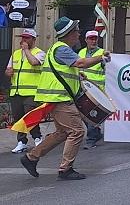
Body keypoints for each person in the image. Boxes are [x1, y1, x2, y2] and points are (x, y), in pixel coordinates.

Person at [20, 17, 110, 180]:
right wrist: (101, 57)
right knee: (77, 131)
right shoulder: (63, 49)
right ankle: (65, 169)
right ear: (70, 33)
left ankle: (30, 158)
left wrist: (77, 76)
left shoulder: (60, 48)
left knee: (62, 133)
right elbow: (81, 62)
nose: (79, 33)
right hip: (60, 98)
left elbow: (68, 69)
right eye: (76, 30)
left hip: (57, 97)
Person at [5, 28, 45, 153]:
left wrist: (26, 50)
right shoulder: (16, 53)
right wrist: (8, 72)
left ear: (33, 39)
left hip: (31, 93)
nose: (23, 40)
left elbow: (34, 62)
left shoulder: (40, 53)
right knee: (18, 118)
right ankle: (21, 141)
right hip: (16, 92)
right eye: (22, 38)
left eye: (27, 38)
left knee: (30, 117)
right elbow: (8, 70)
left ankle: (37, 138)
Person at [78, 30, 105, 149]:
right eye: (91, 39)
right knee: (82, 114)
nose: (93, 41)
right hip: (83, 88)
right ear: (86, 40)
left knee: (91, 114)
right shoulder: (81, 52)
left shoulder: (102, 53)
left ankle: (91, 139)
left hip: (97, 89)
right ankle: (96, 133)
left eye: (95, 39)